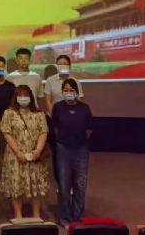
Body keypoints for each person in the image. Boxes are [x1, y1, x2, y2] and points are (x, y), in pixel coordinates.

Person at [0, 85, 50, 220]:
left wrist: (38, 150)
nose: (23, 98)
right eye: (20, 95)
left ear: (31, 97)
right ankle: (18, 216)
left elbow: (43, 132)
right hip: (15, 155)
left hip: (34, 155)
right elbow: (6, 133)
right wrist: (17, 152)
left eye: (26, 95)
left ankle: (36, 215)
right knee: (16, 186)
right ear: (15, 97)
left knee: (35, 186)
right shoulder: (9, 113)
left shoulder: (39, 114)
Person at [52, 79, 93, 228]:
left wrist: (78, 141)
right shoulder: (57, 107)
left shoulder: (84, 108)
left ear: (76, 92)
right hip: (64, 150)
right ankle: (65, 219)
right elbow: (55, 128)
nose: (69, 93)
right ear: (62, 92)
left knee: (80, 186)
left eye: (71, 90)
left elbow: (89, 129)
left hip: (81, 151)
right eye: (66, 90)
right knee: (64, 186)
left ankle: (78, 218)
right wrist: (64, 141)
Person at [44, 55, 84, 178]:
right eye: (60, 63)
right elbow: (48, 101)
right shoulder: (50, 80)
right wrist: (56, 118)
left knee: (71, 150)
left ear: (70, 66)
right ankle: (59, 179)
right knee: (57, 151)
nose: (63, 66)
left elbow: (80, 101)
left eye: (65, 63)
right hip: (54, 120)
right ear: (57, 66)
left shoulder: (75, 81)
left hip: (71, 121)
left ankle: (71, 177)